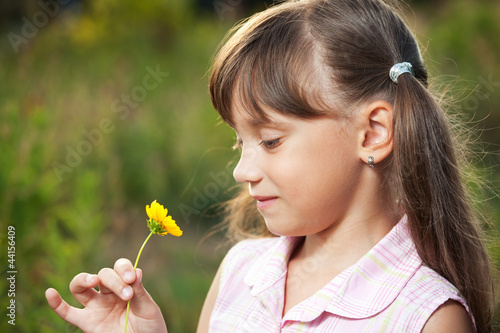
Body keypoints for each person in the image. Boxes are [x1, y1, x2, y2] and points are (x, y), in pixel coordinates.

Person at [45, 0, 495, 331]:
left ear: (373, 132)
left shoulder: (426, 317)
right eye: (238, 141)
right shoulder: (240, 271)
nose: (241, 171)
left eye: (271, 140)